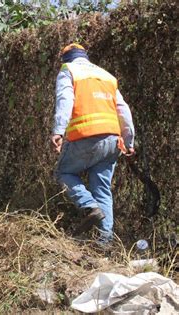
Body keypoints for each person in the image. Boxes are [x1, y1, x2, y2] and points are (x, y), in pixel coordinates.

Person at [51, 44, 135, 244]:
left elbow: (65, 100)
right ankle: (104, 244)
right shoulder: (107, 76)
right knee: (102, 190)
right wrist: (129, 140)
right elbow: (124, 110)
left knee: (64, 173)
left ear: (66, 59)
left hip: (84, 136)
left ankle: (89, 206)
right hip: (113, 141)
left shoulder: (68, 71)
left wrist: (58, 131)